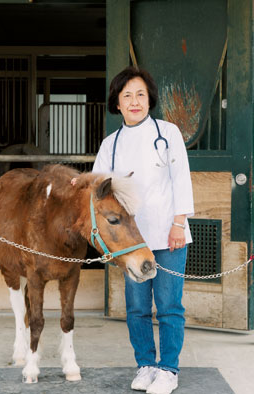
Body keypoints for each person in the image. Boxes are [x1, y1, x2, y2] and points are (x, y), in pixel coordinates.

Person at [92, 66, 194, 394]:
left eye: (140, 94)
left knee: (168, 305)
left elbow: (181, 179)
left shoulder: (168, 132)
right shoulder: (112, 143)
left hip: (168, 234)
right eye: (127, 96)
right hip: (130, 242)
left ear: (149, 99)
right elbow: (97, 187)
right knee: (137, 307)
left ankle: (168, 369)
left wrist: (179, 224)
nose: (135, 101)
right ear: (117, 104)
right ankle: (146, 365)